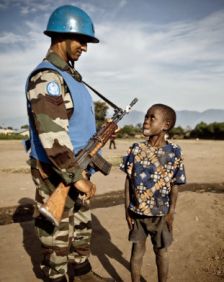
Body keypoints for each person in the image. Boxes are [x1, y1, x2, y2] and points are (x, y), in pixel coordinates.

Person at [25, 5, 114, 282]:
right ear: (62, 36)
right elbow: (53, 138)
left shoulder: (71, 78)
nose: (85, 48)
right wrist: (77, 178)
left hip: (76, 168)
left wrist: (100, 138)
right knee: (57, 236)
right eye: (82, 41)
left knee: (81, 227)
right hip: (58, 173)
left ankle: (84, 273)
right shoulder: (48, 78)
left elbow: (73, 126)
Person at [120, 104, 186, 282]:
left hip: (161, 215)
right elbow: (128, 180)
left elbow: (175, 184)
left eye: (152, 118)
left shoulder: (174, 152)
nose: (146, 121)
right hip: (138, 213)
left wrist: (171, 211)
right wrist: (127, 209)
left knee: (161, 252)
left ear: (165, 125)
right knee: (137, 253)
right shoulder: (136, 149)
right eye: (146, 117)